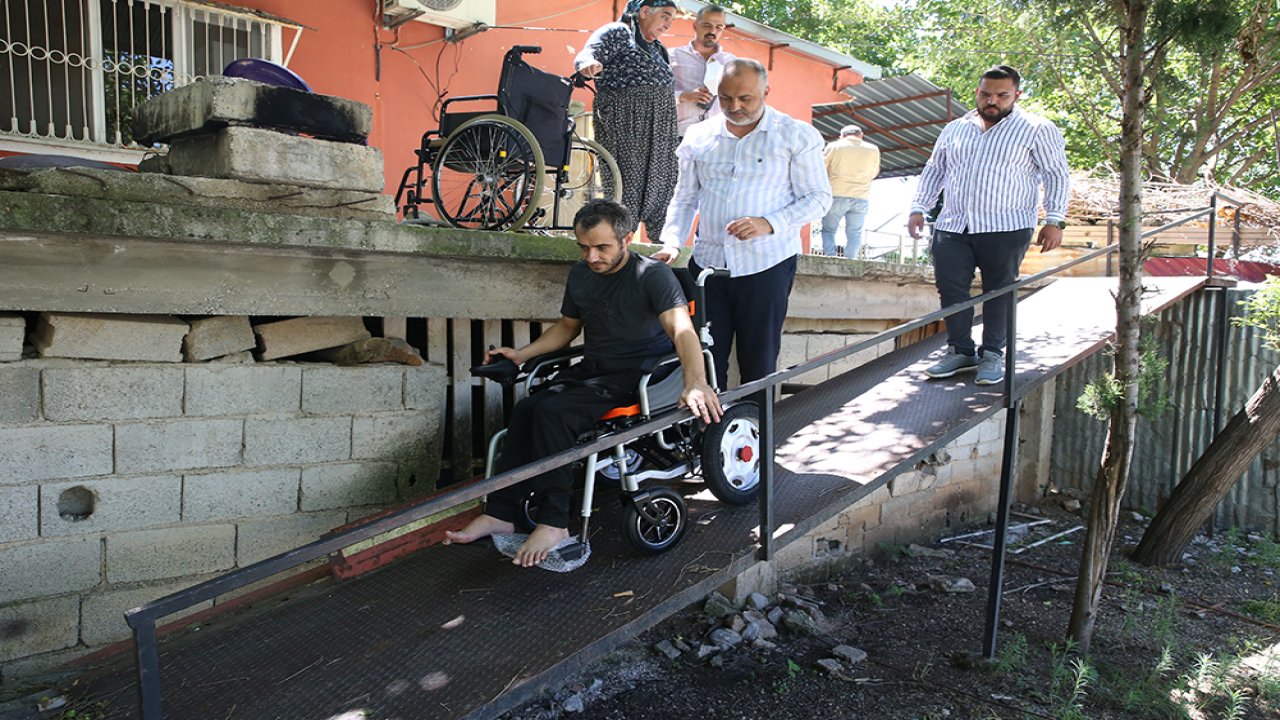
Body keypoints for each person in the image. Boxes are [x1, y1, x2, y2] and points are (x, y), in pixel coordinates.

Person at [444, 199, 722, 568]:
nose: (592, 256)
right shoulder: (581, 273)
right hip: (595, 368)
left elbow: (681, 329)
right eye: (584, 247)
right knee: (528, 408)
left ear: (626, 239)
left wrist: (697, 381)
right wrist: (523, 355)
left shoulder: (651, 275)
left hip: (641, 375)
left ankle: (555, 523)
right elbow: (567, 328)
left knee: (553, 415)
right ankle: (502, 512)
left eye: (602, 247)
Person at [655, 58, 832, 389]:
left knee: (759, 362)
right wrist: (672, 241)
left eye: (745, 98)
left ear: (766, 91)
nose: (734, 107)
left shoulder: (795, 135)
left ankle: (756, 435)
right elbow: (684, 198)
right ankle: (708, 438)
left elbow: (819, 198)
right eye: (725, 98)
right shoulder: (698, 135)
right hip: (707, 266)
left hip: (766, 263)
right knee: (703, 360)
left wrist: (769, 222)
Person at [907, 64, 1070, 387]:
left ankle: (993, 353)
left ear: (1016, 95)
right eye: (985, 94)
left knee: (999, 290)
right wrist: (918, 208)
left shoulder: (1036, 128)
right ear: (977, 93)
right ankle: (961, 351)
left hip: (1006, 225)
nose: (991, 101)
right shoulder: (955, 129)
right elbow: (934, 171)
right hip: (953, 225)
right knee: (951, 289)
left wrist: (1055, 220)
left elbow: (1056, 174)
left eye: (1001, 95)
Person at [575, 0, 679, 240]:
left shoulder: (659, 49)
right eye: (665, 16)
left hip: (660, 128)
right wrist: (588, 64)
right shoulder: (618, 32)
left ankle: (660, 246)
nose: (669, 24)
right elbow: (589, 52)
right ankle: (619, 242)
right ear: (644, 12)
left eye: (671, 18)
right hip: (627, 122)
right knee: (628, 184)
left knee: (664, 184)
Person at [670, 4, 735, 139]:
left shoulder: (732, 63)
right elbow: (656, 95)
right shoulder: (672, 56)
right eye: (707, 25)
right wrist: (683, 96)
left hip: (716, 138)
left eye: (719, 27)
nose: (713, 31)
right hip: (678, 136)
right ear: (695, 26)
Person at [820, 124, 880, 258]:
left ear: (841, 136)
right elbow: (874, 172)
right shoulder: (873, 149)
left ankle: (830, 257)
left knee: (828, 230)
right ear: (861, 135)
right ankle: (850, 260)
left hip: (836, 193)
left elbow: (822, 169)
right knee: (855, 233)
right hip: (861, 195)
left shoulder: (834, 146)